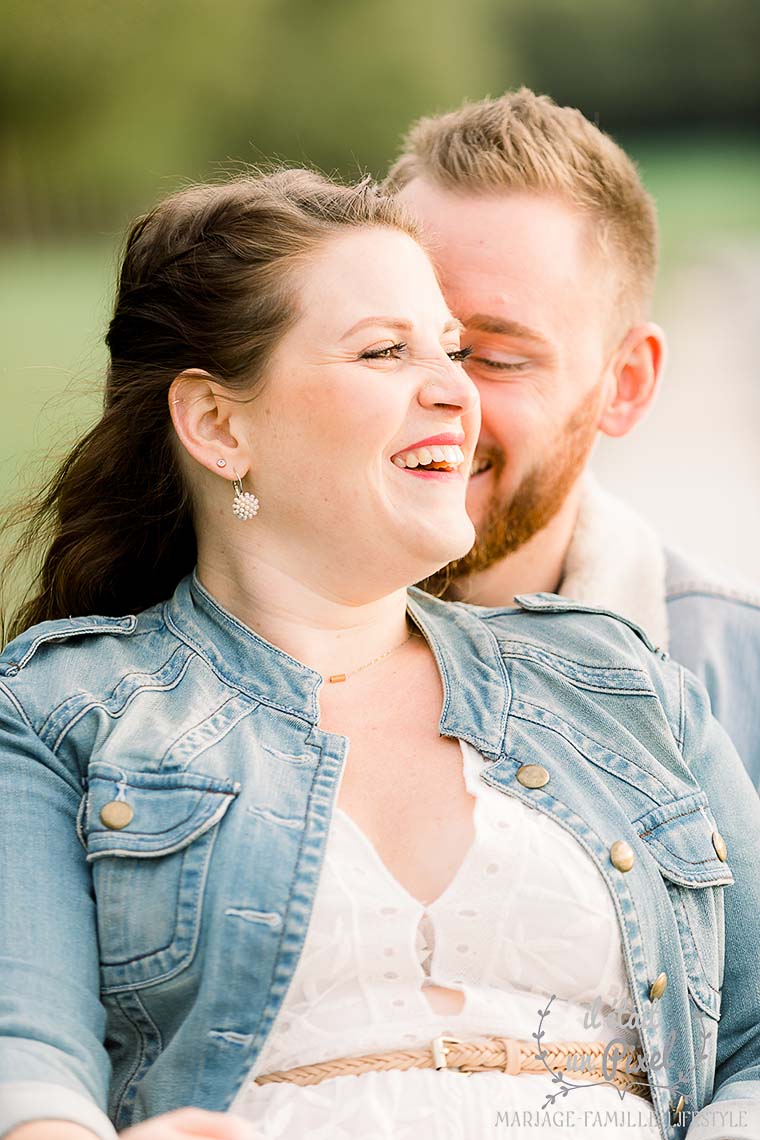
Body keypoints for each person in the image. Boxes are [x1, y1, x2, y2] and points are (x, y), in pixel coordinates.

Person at [1, 167, 759, 1140]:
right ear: (218, 424)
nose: (455, 391)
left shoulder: (621, 682)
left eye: (454, 349)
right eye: (385, 351)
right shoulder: (58, 711)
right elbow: (27, 1068)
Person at [386, 87, 760, 791]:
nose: (438, 394)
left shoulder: (740, 683)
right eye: (388, 344)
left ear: (625, 384)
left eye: (495, 359)